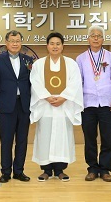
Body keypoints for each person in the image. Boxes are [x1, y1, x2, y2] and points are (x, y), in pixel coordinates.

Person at [29, 32, 83, 182]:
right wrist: (47, 97)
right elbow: (35, 82)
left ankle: (60, 170)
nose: (55, 46)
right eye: (52, 43)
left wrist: (63, 98)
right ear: (47, 46)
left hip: (64, 106)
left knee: (62, 137)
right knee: (44, 136)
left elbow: (75, 82)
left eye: (58, 44)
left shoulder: (71, 63)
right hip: (45, 106)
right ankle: (46, 170)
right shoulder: (39, 64)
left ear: (62, 46)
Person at [76, 25, 111, 182]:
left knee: (107, 138)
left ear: (103, 39)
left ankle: (105, 169)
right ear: (88, 39)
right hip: (87, 104)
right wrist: (78, 102)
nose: (96, 38)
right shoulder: (81, 58)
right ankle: (92, 168)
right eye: (92, 35)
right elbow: (78, 82)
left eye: (99, 35)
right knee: (90, 138)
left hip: (107, 104)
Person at [0, 30, 33, 183]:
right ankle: (6, 172)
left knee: (22, 140)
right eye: (12, 41)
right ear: (6, 43)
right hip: (6, 106)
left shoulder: (28, 60)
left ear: (21, 43)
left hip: (24, 106)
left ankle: (19, 171)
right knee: (6, 140)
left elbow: (32, 84)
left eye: (18, 41)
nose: (15, 44)